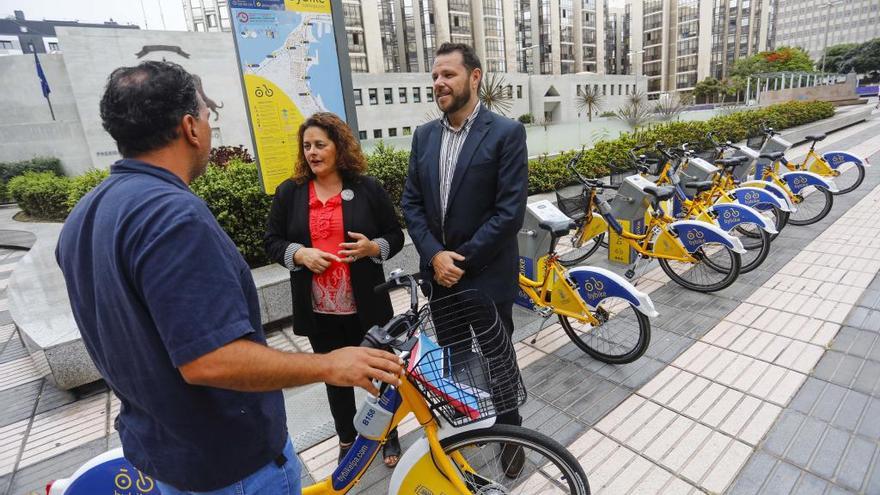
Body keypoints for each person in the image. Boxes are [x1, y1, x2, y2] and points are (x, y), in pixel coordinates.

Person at [55, 61, 403, 495]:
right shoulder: (172, 216)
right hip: (233, 466)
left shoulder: (83, 216)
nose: (208, 124)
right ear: (190, 127)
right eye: (207, 113)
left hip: (167, 456)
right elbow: (211, 360)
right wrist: (329, 364)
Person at [400, 43, 528, 474]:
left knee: (498, 357)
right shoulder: (424, 137)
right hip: (440, 279)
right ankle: (466, 429)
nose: (439, 83)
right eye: (435, 75)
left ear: (475, 77)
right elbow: (411, 205)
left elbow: (509, 212)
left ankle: (511, 433)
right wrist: (435, 257)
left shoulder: (506, 133)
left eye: (449, 74)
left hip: (486, 275)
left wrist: (459, 261)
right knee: (453, 359)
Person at [264, 112, 405, 467]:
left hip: (366, 306)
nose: (312, 152)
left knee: (381, 374)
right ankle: (346, 439)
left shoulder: (367, 188)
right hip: (319, 310)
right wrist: (299, 253)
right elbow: (271, 241)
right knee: (334, 377)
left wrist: (374, 249)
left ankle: (387, 436)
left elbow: (395, 234)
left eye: (320, 145)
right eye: (307, 145)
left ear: (338, 147)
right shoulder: (290, 192)